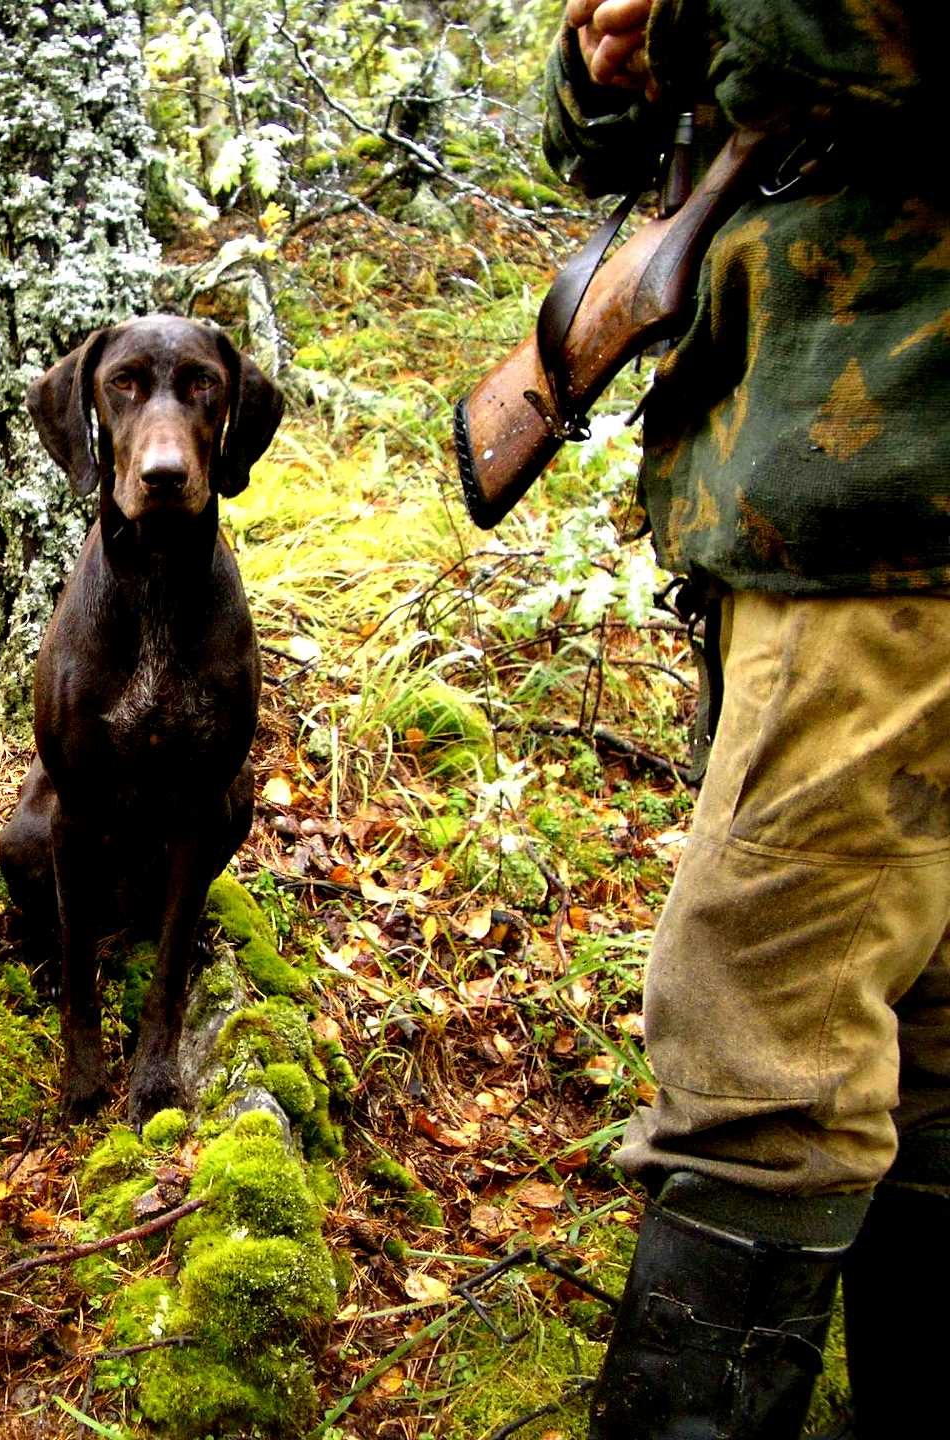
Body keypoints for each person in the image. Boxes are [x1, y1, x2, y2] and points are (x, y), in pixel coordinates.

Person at [543, 2, 949, 1437]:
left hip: (893, 500)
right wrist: (606, 60)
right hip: (811, 501)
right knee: (928, 1037)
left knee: (760, 1055)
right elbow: (601, 145)